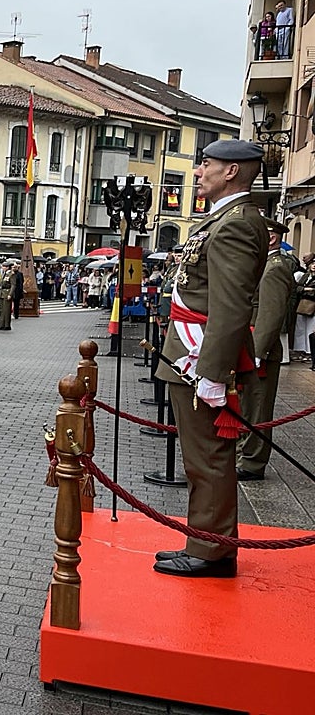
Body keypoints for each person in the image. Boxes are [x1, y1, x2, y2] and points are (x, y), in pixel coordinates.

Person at [153, 139, 269, 579]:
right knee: (199, 457)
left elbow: (232, 305)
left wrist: (214, 373)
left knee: (208, 458)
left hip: (201, 355)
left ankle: (212, 551)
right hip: (190, 350)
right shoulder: (224, 218)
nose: (198, 172)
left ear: (233, 172)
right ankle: (205, 540)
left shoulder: (237, 223)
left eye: (207, 165)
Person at [238, 218, 296, 481]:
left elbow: (271, 315)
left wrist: (258, 353)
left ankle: (252, 462)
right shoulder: (262, 265)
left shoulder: (274, 268)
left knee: (257, 408)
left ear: (270, 237)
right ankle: (244, 452)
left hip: (261, 350)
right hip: (250, 344)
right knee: (247, 405)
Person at [0, 262, 15, 330]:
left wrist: (10, 294)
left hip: (7, 293)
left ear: (7, 267)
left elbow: (13, 285)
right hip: (1, 293)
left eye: (4, 266)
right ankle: (1, 324)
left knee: (6, 310)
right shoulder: (3, 274)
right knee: (1, 310)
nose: (2, 268)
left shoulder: (11, 274)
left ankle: (7, 325)